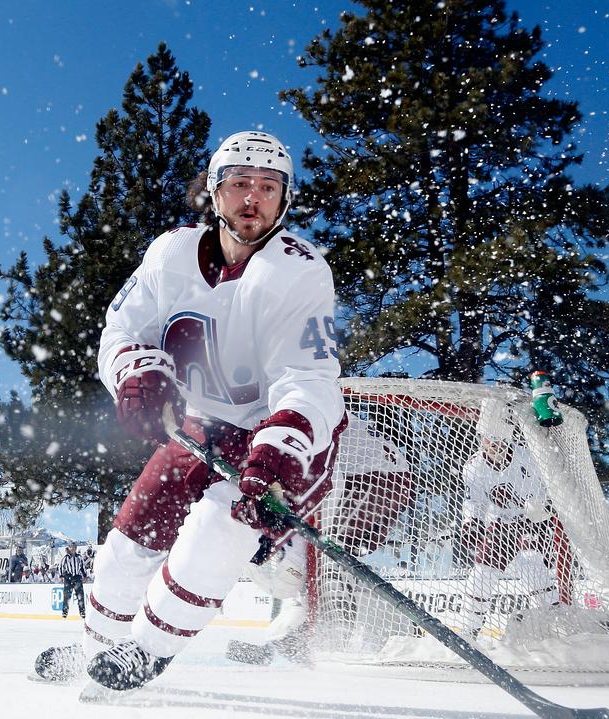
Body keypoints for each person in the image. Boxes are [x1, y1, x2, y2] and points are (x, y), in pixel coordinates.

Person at [33, 131, 345, 689]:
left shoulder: (299, 270)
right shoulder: (171, 253)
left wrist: (281, 450)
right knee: (131, 535)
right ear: (215, 192)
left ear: (285, 198)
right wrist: (137, 373)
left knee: (217, 532)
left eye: (269, 188)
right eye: (240, 185)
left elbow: (310, 378)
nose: (254, 199)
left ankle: (147, 651)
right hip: (203, 420)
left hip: (280, 434)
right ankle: (95, 647)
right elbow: (124, 330)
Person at [225, 415, 413, 665]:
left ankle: (332, 643)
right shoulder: (294, 418)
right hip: (373, 477)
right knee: (324, 563)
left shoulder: (299, 420)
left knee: (330, 561)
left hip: (374, 478)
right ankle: (309, 637)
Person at [456, 399, 559, 639]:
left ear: (507, 440)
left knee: (532, 565)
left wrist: (540, 505)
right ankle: (469, 632)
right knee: (481, 574)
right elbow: (475, 500)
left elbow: (546, 491)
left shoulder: (528, 458)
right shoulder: (473, 467)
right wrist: (472, 522)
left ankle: (557, 624)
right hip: (501, 524)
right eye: (487, 441)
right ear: (481, 439)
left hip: (533, 523)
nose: (492, 447)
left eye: (498, 442)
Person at [59, 542, 87, 618]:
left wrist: (84, 575)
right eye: (72, 547)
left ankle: (82, 612)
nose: (73, 549)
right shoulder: (65, 557)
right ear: (69, 548)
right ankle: (65, 612)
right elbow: (61, 566)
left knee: (80, 596)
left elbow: (82, 567)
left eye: (75, 547)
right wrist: (61, 575)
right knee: (67, 596)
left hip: (77, 577)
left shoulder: (79, 557)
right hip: (68, 578)